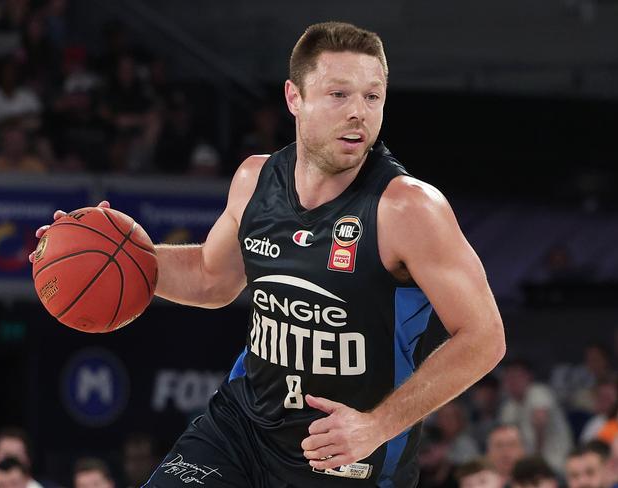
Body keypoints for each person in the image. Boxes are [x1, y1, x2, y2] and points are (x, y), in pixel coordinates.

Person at [31, 21, 505, 487]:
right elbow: (211, 278)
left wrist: (378, 424)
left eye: (372, 96)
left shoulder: (407, 208)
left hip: (346, 455)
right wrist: (107, 256)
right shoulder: (255, 180)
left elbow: (484, 338)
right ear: (293, 98)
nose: (359, 111)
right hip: (242, 428)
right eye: (339, 94)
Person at [499, 359, 573, 472]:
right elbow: (506, 436)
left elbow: (540, 421)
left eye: (517, 376)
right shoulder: (509, 406)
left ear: (529, 376)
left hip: (557, 461)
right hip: (531, 464)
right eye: (508, 377)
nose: (512, 381)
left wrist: (536, 457)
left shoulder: (538, 391)